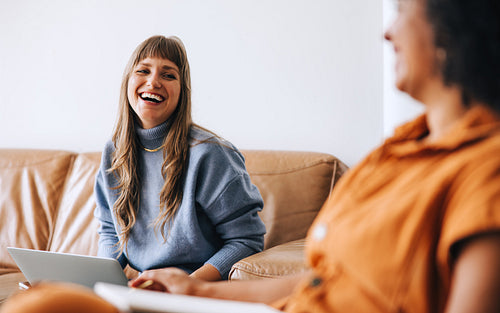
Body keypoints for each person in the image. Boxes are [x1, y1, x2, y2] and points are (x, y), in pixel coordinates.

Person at [128, 0, 500, 312]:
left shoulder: (485, 169)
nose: (388, 33)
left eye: (403, 11)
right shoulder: (396, 154)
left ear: (450, 30)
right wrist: (196, 291)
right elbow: (325, 280)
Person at [94, 35, 266, 281]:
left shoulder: (210, 154)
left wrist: (190, 284)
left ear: (182, 92)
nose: (153, 82)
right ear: (127, 82)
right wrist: (100, 279)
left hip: (196, 288)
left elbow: (246, 240)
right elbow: (111, 231)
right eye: (143, 70)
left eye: (168, 75)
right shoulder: (114, 152)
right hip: (142, 286)